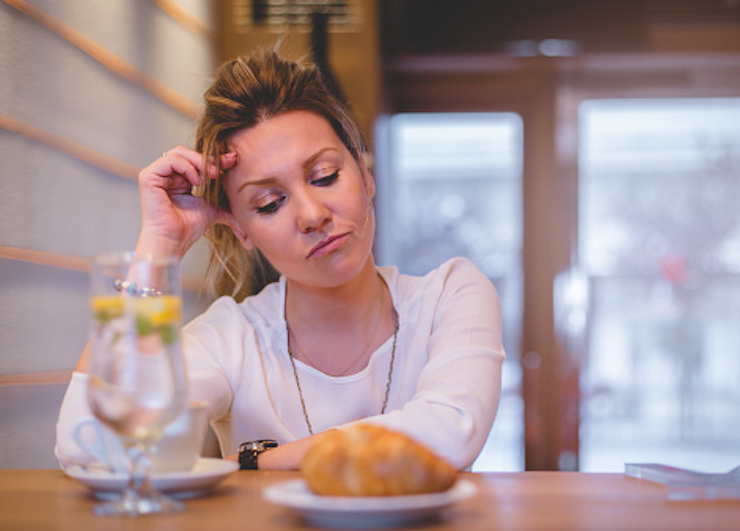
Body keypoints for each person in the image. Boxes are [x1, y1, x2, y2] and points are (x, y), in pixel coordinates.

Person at [55, 47, 504, 471]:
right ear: (241, 229)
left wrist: (259, 461)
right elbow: (92, 447)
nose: (312, 216)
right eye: (270, 203)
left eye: (325, 176)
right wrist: (158, 248)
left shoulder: (451, 296)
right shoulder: (233, 338)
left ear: (365, 176)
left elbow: (451, 431)